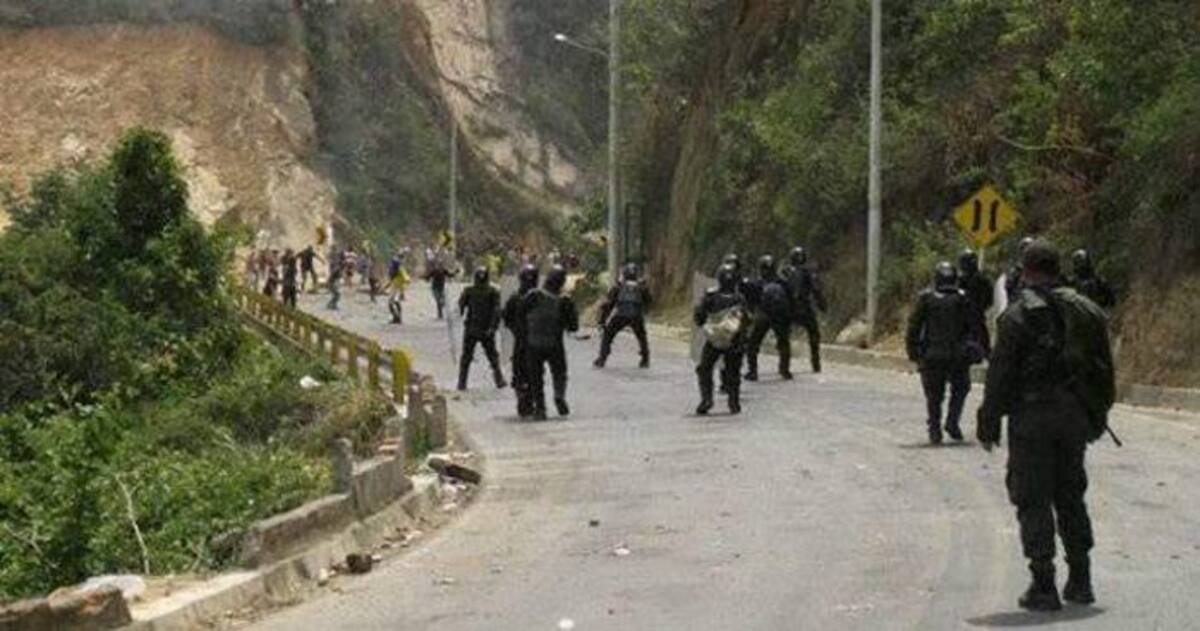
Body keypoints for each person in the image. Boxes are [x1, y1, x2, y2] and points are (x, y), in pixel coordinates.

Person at [977, 240, 1115, 612]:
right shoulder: (1088, 310)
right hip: (1074, 417)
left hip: (1033, 419)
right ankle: (1081, 579)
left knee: (1032, 496)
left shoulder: (1018, 315)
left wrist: (988, 420)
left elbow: (1001, 375)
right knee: (1070, 493)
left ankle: (1043, 583)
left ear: (1027, 270)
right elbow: (1106, 370)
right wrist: (1097, 414)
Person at [906, 262, 976, 444]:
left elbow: (914, 326)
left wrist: (913, 351)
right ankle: (951, 422)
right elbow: (973, 327)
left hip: (933, 355)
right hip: (957, 355)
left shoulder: (926, 298)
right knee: (960, 389)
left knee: (934, 394)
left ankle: (935, 427)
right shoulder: (962, 298)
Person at [520, 265, 579, 420]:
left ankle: (540, 409)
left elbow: (519, 313)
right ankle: (559, 395)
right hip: (555, 344)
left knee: (536, 378)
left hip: (533, 343)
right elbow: (573, 327)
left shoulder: (533, 295)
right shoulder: (565, 300)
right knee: (559, 373)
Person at [694, 264, 748, 415]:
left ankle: (706, 399)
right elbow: (746, 320)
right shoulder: (740, 298)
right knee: (734, 372)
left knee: (704, 369)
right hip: (735, 341)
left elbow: (699, 317)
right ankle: (734, 402)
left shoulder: (711, 296)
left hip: (714, 340)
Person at [744, 255, 794, 381]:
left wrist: (750, 314)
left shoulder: (756, 282)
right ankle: (785, 370)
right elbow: (791, 299)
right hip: (780, 317)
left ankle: (752, 371)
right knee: (783, 343)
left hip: (764, 316)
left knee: (753, 344)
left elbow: (751, 300)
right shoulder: (782, 282)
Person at [457, 267, 507, 391]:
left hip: (472, 328)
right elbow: (497, 311)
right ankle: (499, 379)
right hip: (486, 328)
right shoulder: (493, 291)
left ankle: (462, 382)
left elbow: (461, 305)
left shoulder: (469, 291)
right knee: (492, 356)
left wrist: (462, 310)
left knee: (466, 356)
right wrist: (493, 327)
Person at [594, 263, 652, 369]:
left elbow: (608, 305)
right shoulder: (641, 287)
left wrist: (602, 322)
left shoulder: (618, 287)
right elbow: (649, 302)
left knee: (608, 335)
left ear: (624, 274)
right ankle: (645, 359)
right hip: (636, 316)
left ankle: (602, 358)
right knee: (642, 337)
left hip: (621, 316)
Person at [781, 246, 826, 374]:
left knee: (783, 336)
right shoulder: (807, 272)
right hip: (804, 307)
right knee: (814, 334)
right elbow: (816, 290)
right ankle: (815, 362)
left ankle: (784, 366)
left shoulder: (785, 271)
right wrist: (822, 305)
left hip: (789, 308)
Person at [504, 265, 540, 417]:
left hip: (524, 340)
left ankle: (524, 395)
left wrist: (516, 330)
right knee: (532, 370)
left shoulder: (516, 297)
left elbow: (506, 318)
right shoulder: (540, 297)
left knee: (521, 370)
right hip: (533, 340)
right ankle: (527, 396)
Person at [958, 248, 994, 356]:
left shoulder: (979, 279)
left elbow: (989, 298)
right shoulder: (962, 279)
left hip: (973, 316)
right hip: (971, 317)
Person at [1004, 237, 1036, 304]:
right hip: (1019, 302)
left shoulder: (1039, 268)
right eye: (1024, 248)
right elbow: (1009, 287)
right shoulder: (1016, 270)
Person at [387, 249, 410, 324]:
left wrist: (406, 280)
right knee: (393, 301)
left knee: (393, 302)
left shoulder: (398, 266)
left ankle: (397, 318)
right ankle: (397, 317)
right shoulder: (398, 265)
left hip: (397, 286)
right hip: (396, 285)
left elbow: (405, 276)